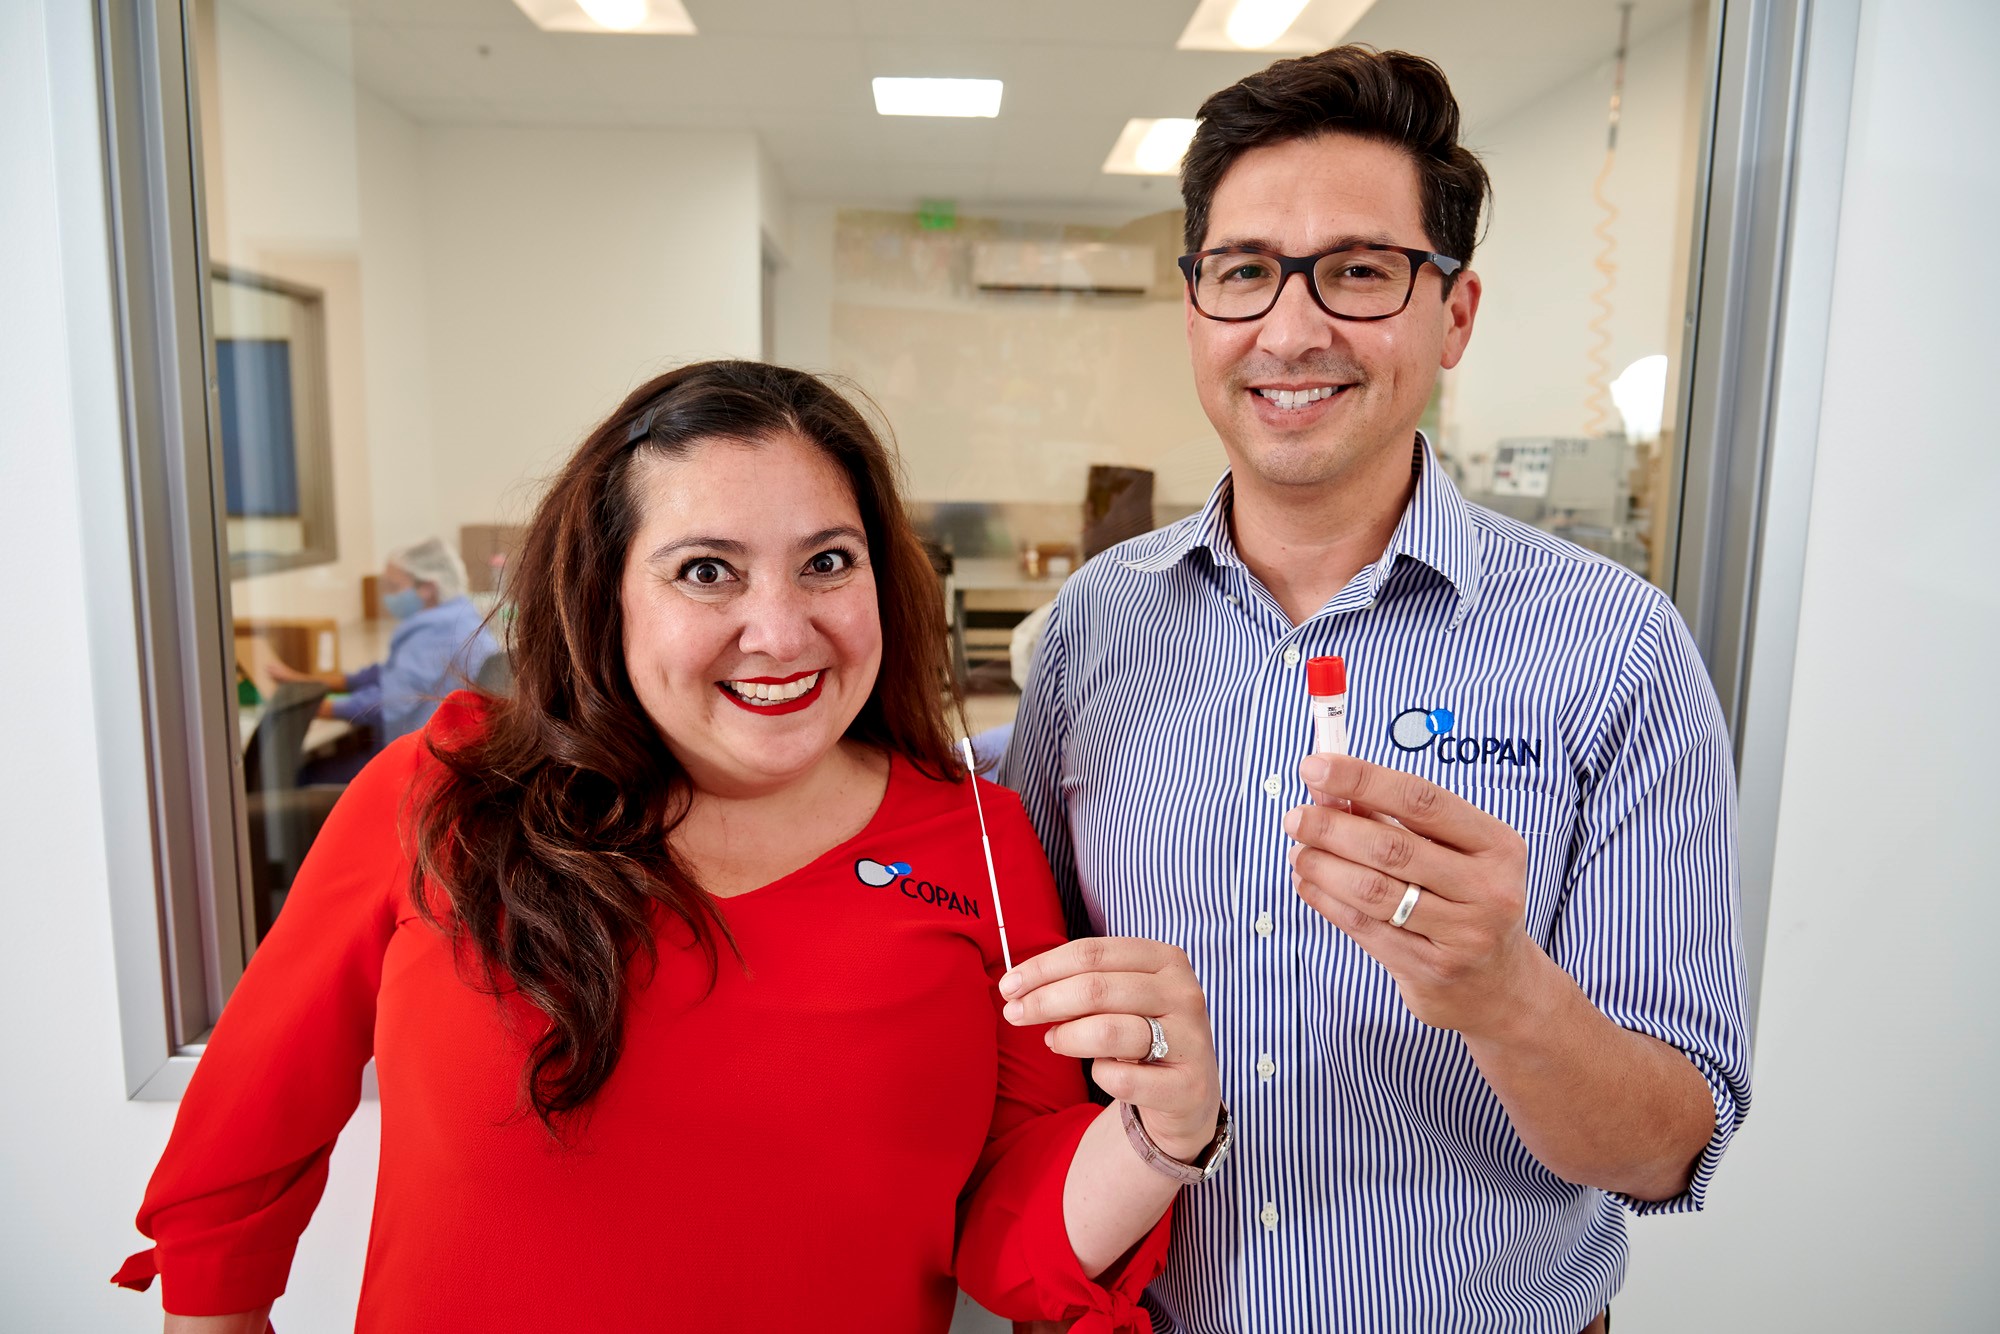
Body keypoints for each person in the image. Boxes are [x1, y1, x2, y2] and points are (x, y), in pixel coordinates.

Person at [114, 361, 1230, 1332]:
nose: (782, 630)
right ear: (606, 594)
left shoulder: (976, 838)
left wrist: (1161, 1131)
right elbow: (237, 1161)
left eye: (827, 562)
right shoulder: (442, 798)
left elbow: (1009, 1235)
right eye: (707, 570)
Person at [998, 47, 1752, 1334]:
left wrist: (1502, 992)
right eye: (1242, 273)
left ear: (1453, 312)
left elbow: (1668, 1149)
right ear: (1193, 309)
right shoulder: (1094, 631)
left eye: (1357, 271)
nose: (1289, 331)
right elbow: (1021, 1055)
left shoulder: (1611, 647)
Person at [267, 537, 500, 749]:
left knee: (309, 774)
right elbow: (388, 675)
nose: (387, 596)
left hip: (424, 759)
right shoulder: (458, 614)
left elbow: (388, 702)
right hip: (439, 745)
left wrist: (307, 709)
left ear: (428, 588)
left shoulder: (437, 631)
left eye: (395, 587)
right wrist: (302, 681)